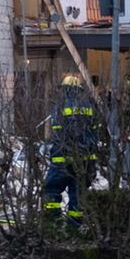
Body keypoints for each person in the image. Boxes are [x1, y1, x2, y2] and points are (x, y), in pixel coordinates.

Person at [44, 75, 98, 224]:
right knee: (78, 192)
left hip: (62, 158)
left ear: (66, 89)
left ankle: (52, 221)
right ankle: (74, 226)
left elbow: (57, 133)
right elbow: (94, 134)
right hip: (84, 159)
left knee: (52, 189)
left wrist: (55, 154)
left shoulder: (60, 106)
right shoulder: (89, 107)